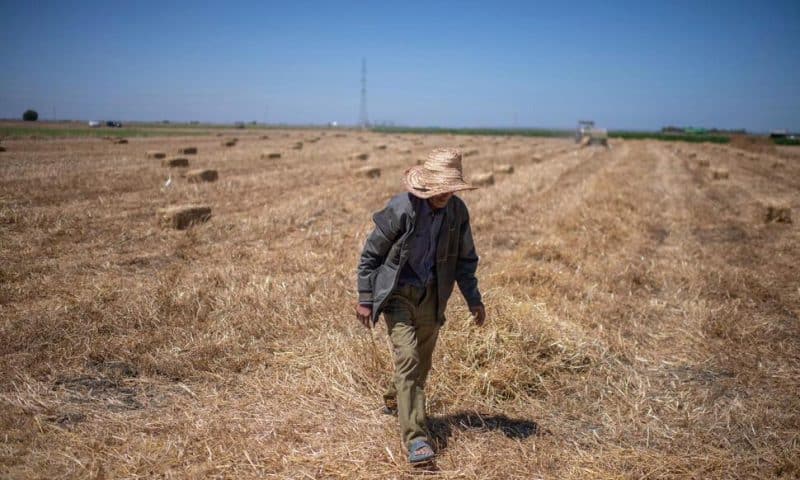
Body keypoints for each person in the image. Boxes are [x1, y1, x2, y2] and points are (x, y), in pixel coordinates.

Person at [355, 147, 486, 464]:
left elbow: (465, 261)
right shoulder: (402, 209)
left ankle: (394, 398)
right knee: (410, 358)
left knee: (419, 366)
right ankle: (417, 439)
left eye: (448, 189)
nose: (443, 195)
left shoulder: (457, 214)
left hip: (432, 296)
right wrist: (365, 298)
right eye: (438, 189)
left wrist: (474, 300)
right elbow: (371, 255)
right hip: (398, 296)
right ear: (425, 184)